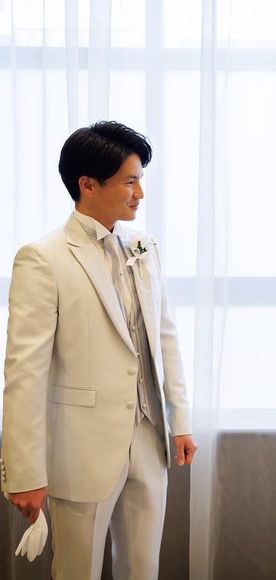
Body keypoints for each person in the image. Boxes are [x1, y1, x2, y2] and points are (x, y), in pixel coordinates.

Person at [1, 121, 197, 579]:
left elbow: (165, 337)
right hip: (81, 449)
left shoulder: (145, 248)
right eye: (129, 182)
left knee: (143, 569)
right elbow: (24, 372)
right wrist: (24, 472)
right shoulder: (43, 258)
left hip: (148, 438)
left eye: (140, 180)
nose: (140, 194)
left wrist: (181, 420)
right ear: (87, 184)